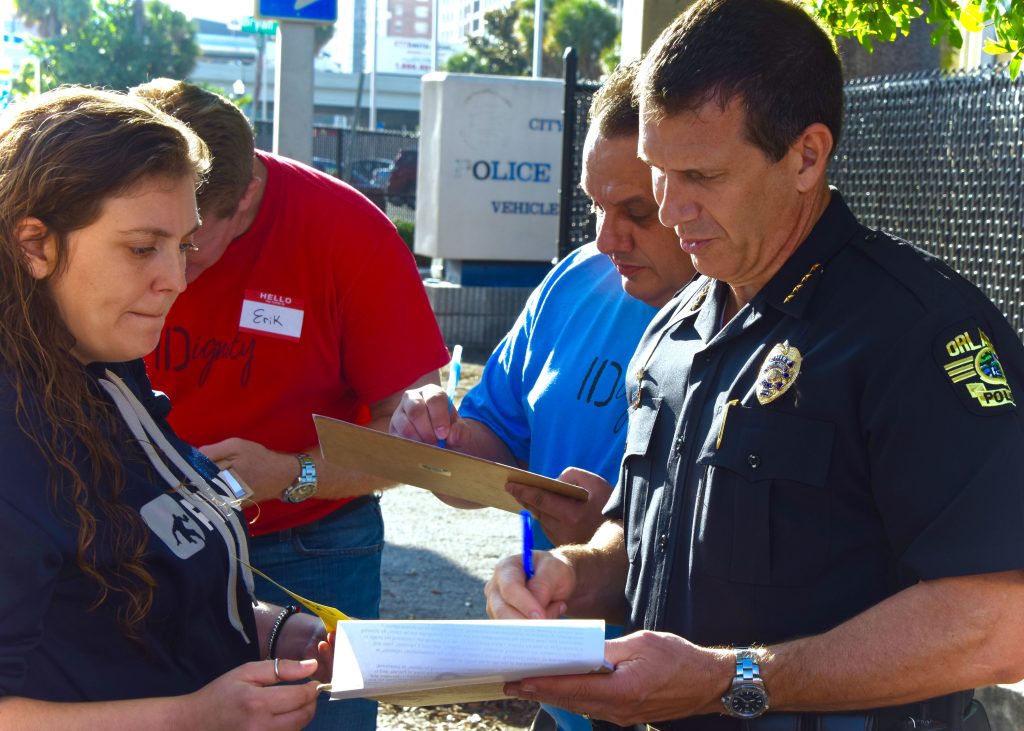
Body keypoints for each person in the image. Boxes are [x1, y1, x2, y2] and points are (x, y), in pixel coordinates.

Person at [483, 0, 1024, 729]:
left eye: (701, 174)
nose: (672, 209)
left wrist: (735, 679)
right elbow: (640, 537)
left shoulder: (915, 331)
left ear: (806, 156)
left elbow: (1000, 619)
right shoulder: (675, 326)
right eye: (659, 171)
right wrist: (574, 574)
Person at [0, 87, 333, 729]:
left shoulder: (104, 365)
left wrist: (267, 631)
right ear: (34, 246)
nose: (176, 279)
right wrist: (193, 715)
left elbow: (114, 603)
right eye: (141, 246)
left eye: (182, 245)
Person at [132, 79, 449, 731]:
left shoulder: (346, 231)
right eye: (141, 243)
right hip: (139, 541)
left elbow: (414, 441)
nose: (165, 272)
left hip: (311, 546)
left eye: (187, 244)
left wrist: (291, 473)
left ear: (246, 192)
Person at [389, 62, 695, 731]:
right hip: (563, 684)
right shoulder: (578, 278)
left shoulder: (757, 322)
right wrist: (433, 437)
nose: (606, 237)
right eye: (595, 205)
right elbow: (492, 444)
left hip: (685, 694)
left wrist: (616, 551)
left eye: (637, 212)